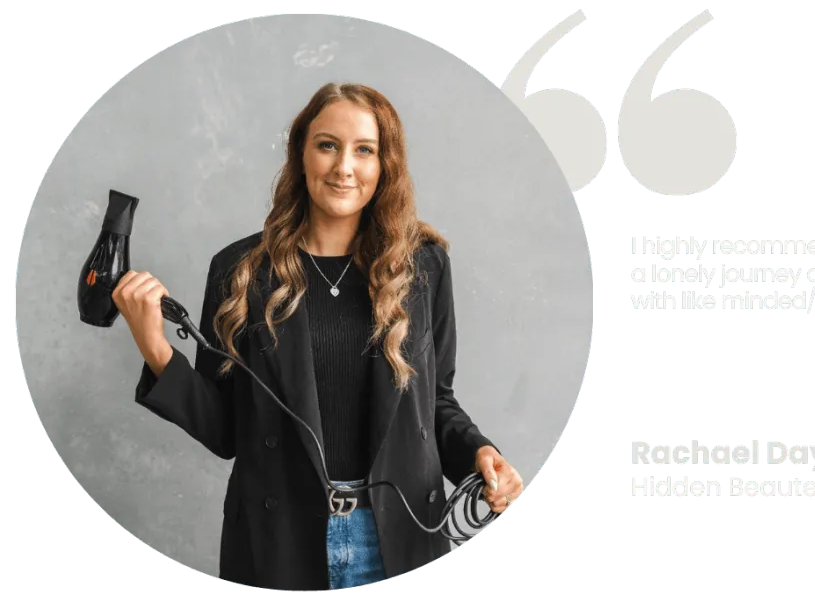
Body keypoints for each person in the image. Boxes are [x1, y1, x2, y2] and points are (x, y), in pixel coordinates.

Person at [112, 82, 523, 591]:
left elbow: (435, 402)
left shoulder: (423, 267)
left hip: (400, 538)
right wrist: (156, 349)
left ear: (385, 164)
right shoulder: (241, 271)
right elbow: (224, 433)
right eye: (328, 145)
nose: (344, 167)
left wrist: (479, 453)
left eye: (364, 150)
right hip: (279, 540)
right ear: (301, 153)